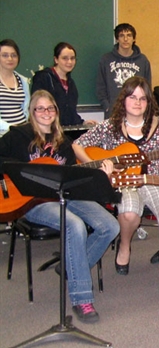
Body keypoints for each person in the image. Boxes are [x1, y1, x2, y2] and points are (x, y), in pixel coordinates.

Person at [0, 90, 119, 323]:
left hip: (65, 195)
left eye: (51, 108)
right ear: (32, 111)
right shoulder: (18, 136)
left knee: (110, 225)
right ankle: (81, 298)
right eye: (40, 108)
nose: (46, 113)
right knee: (73, 225)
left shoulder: (64, 143)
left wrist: (101, 175)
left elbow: (73, 178)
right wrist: (19, 171)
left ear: (56, 112)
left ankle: (70, 268)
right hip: (31, 200)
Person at [73, 76, 159, 275]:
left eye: (142, 98)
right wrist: (97, 166)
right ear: (124, 100)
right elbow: (76, 145)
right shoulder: (110, 126)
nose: (137, 102)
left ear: (148, 102)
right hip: (124, 183)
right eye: (132, 97)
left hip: (153, 182)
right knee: (128, 213)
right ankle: (125, 245)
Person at [31, 42, 98, 127]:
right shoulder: (43, 78)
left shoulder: (71, 83)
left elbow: (70, 111)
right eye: (65, 58)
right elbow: (37, 108)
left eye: (72, 58)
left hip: (65, 132)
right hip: (47, 130)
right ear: (56, 59)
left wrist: (82, 122)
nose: (69, 62)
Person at [96, 23, 152, 119]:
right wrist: (107, 106)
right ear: (117, 39)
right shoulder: (106, 59)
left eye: (129, 35)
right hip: (113, 112)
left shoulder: (143, 60)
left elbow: (147, 87)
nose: (125, 39)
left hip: (136, 112)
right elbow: (100, 86)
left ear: (134, 39)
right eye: (122, 36)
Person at [0, 39, 30, 136]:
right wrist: (10, 127)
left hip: (21, 134)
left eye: (14, 55)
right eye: (5, 55)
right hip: (3, 134)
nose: (10, 59)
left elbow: (26, 109)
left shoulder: (23, 81)